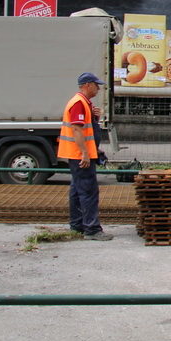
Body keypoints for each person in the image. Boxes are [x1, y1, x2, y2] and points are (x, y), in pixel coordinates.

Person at [57, 72, 112, 240]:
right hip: (80, 156)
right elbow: (77, 130)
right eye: (96, 85)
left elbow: (87, 129)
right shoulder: (79, 103)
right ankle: (92, 230)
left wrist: (96, 116)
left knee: (77, 190)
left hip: (77, 154)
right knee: (88, 191)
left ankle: (77, 225)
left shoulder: (83, 103)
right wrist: (85, 154)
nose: (98, 88)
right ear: (87, 85)